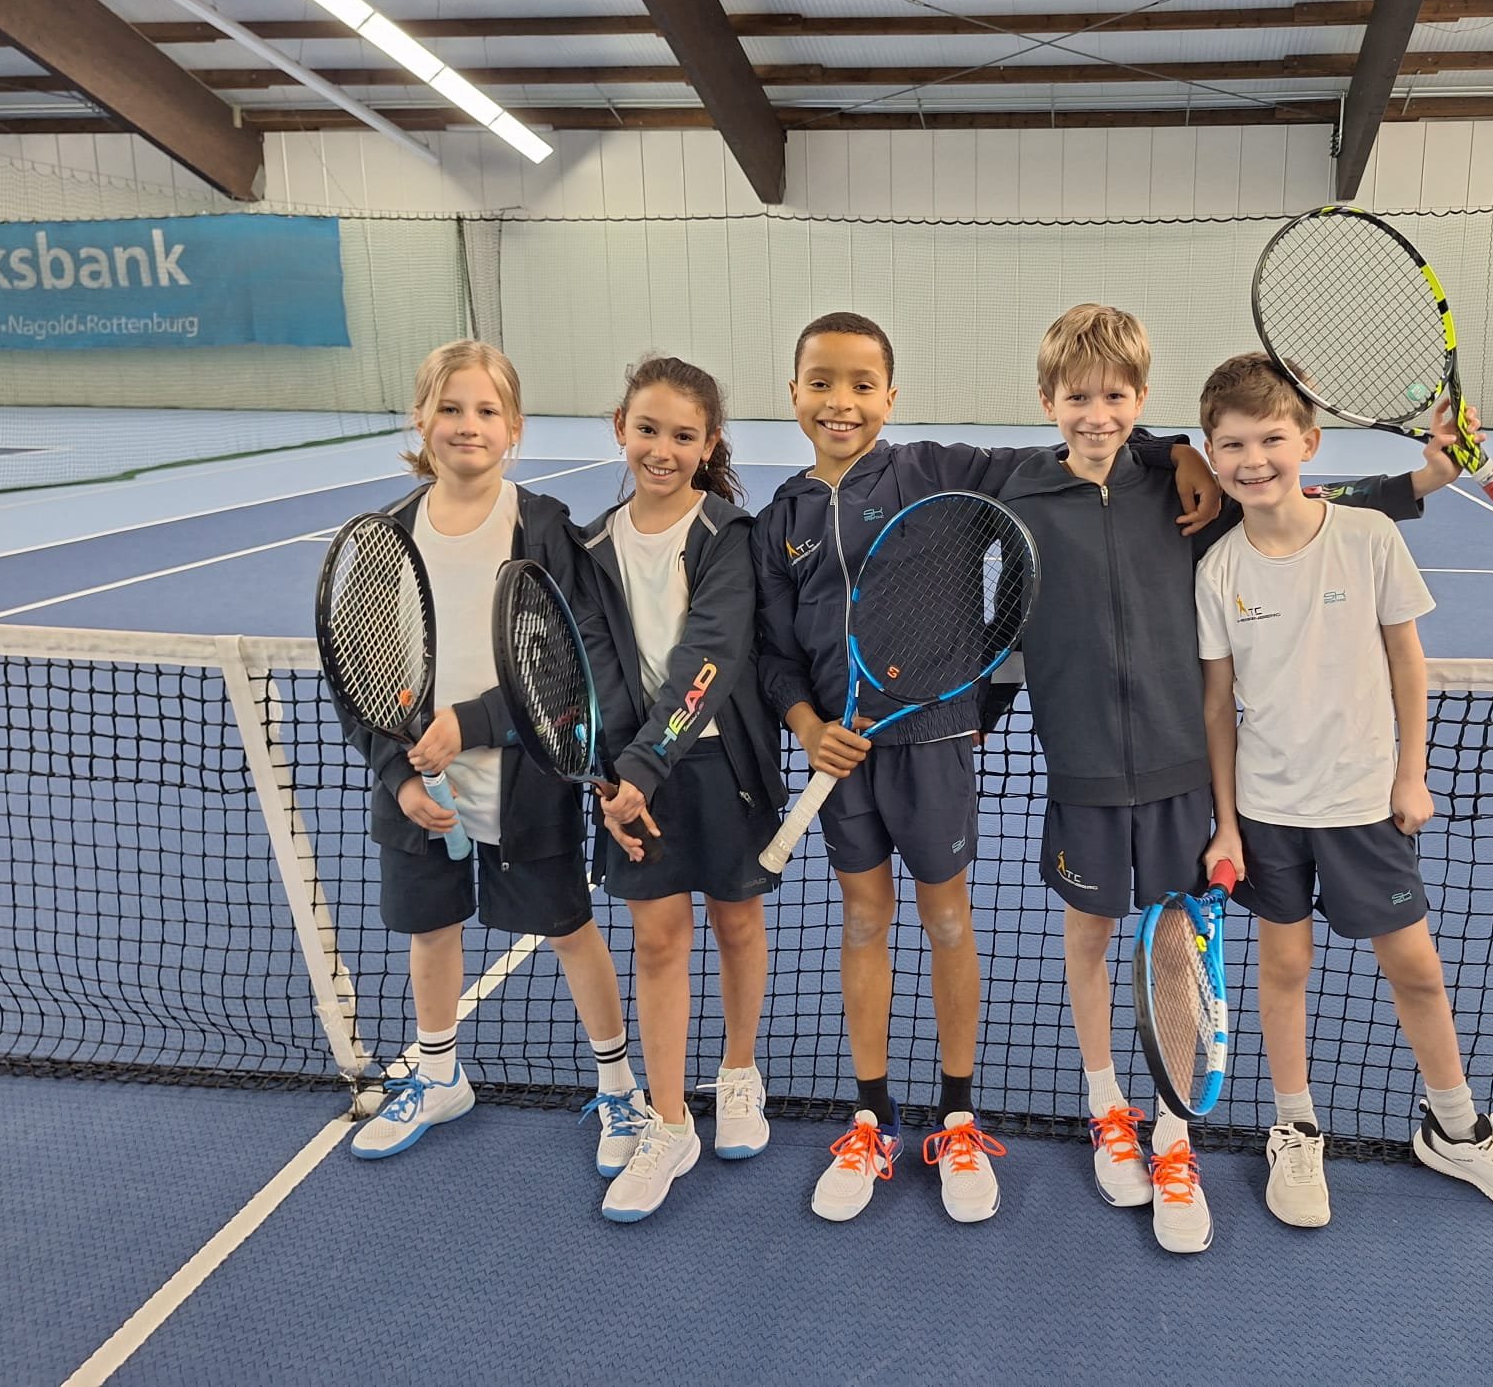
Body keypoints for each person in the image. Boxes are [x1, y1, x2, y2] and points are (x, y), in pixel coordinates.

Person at [1000, 305, 1454, 1252]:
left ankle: (1173, 1135)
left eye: (1116, 396)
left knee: (1176, 948)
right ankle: (1107, 1109)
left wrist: (1423, 479)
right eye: (1077, 397)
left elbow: (1297, 498)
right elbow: (1002, 623)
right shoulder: (1021, 498)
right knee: (1089, 939)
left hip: (1183, 778)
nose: (1096, 414)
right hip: (1081, 770)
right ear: (1047, 400)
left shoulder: (1186, 492)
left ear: (1141, 398)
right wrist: (963, 719)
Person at [753, 310, 1220, 1225]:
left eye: (862, 385)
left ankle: (959, 1118)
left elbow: (1079, 450)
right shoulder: (781, 520)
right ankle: (872, 1117)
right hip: (841, 755)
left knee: (949, 923)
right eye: (822, 383)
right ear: (794, 392)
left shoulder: (942, 471)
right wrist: (806, 724)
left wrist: (1176, 451)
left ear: (891, 395)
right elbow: (773, 652)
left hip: (934, 745)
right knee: (862, 922)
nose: (841, 402)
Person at [1193, 352, 1493, 1226]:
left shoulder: (1367, 537)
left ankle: (1457, 1128)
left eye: (1271, 439)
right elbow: (1216, 705)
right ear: (1211, 456)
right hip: (1266, 811)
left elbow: (1407, 659)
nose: (1254, 459)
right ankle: (1295, 1128)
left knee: (1416, 970)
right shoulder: (1219, 569)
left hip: (1363, 804)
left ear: (1309, 443)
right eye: (1232, 445)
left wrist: (1411, 772)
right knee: (1284, 967)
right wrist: (1226, 824)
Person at [336, 339, 635, 1166]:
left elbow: (572, 665)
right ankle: (439, 1076)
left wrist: (472, 722)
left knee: (570, 928)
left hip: (526, 778)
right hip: (420, 784)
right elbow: (359, 671)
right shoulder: (387, 536)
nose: (468, 425)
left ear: (515, 428)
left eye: (486, 410)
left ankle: (619, 1087)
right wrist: (397, 776)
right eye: (451, 408)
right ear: (421, 419)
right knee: (431, 929)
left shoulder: (543, 527)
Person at [566, 355, 786, 1222]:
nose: (662, 449)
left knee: (737, 923)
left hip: (721, 767)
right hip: (634, 775)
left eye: (683, 436)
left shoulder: (729, 535)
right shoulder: (590, 547)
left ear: (710, 444)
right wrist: (618, 778)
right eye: (648, 429)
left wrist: (643, 766)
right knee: (658, 943)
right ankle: (668, 1121)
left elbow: (710, 657)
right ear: (620, 427)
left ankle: (738, 1072)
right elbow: (597, 671)